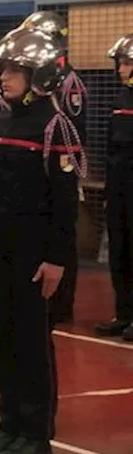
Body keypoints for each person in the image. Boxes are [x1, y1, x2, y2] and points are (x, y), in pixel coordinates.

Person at [0, 27, 83, 454]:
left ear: (40, 76)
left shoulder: (56, 126)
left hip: (36, 256)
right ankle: (10, 428)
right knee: (2, 341)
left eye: (16, 70)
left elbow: (64, 201)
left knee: (32, 345)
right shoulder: (3, 118)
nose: (5, 77)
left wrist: (57, 258)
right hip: (1, 249)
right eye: (3, 69)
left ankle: (35, 438)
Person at [8, 11, 84, 324]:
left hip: (60, 161)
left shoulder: (67, 82)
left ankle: (62, 301)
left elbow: (72, 128)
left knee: (62, 232)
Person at [98, 33, 133, 340]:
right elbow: (112, 150)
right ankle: (123, 314)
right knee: (119, 253)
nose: (121, 70)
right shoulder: (120, 98)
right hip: (120, 188)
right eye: (120, 64)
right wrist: (109, 192)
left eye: (125, 64)